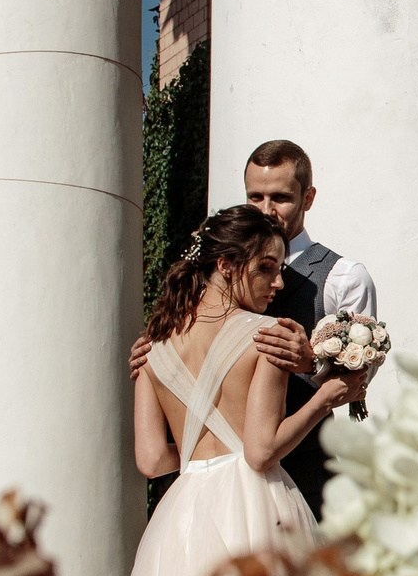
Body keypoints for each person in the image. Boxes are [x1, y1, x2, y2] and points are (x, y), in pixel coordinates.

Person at [115, 205, 363, 576]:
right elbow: (260, 451)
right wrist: (324, 399)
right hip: (253, 505)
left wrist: (199, 455)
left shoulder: (153, 346)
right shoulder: (267, 335)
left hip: (183, 512)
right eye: (266, 267)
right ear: (226, 265)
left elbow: (151, 460)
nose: (279, 283)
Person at [132, 139, 378, 518]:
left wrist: (312, 362)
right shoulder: (206, 290)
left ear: (308, 198)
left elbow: (357, 378)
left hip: (302, 476)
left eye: (280, 198)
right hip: (244, 481)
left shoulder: (344, 277)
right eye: (255, 197)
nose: (266, 209)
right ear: (225, 265)